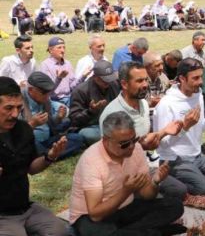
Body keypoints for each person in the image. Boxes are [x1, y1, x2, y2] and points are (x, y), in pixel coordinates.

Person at [69, 112, 185, 236]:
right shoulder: (91, 160)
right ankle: (148, 231)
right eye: (124, 144)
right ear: (106, 141)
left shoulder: (137, 149)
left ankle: (142, 232)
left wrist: (155, 182)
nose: (131, 146)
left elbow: (147, 195)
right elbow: (95, 215)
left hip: (124, 208)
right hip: (91, 218)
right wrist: (126, 191)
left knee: (175, 206)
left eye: (134, 140)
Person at [99, 62, 185, 198]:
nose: (145, 84)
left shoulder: (144, 104)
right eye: (139, 81)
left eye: (145, 79)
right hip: (121, 175)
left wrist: (165, 132)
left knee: (178, 191)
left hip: (142, 167)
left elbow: (143, 140)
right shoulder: (113, 114)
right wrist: (141, 146)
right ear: (124, 84)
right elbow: (111, 154)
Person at [153, 58, 205, 195]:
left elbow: (200, 127)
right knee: (204, 189)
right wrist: (184, 128)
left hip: (197, 156)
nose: (201, 82)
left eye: (201, 77)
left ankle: (196, 176)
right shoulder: (166, 104)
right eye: (195, 78)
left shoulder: (198, 96)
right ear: (182, 78)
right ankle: (171, 179)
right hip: (175, 159)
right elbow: (162, 144)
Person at [0, 76, 69, 236]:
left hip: (25, 207)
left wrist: (50, 156)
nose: (15, 114)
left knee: (60, 231)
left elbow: (31, 168)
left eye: (19, 108)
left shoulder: (23, 129)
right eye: (8, 108)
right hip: (2, 216)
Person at [22, 72, 84, 160]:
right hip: (30, 140)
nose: (47, 96)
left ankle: (46, 154)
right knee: (33, 144)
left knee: (78, 139)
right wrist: (32, 124)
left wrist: (58, 117)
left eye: (49, 93)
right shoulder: (18, 102)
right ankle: (46, 155)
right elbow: (15, 134)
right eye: (44, 93)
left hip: (47, 138)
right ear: (31, 90)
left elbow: (51, 124)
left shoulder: (46, 99)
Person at [70, 60, 122, 145]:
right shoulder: (81, 91)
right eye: (105, 80)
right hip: (92, 126)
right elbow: (74, 120)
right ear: (96, 77)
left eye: (110, 79)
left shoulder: (114, 84)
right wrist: (91, 111)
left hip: (111, 123)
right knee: (89, 135)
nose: (108, 82)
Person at [40, 37, 86, 106]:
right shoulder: (45, 65)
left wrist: (83, 76)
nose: (62, 50)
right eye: (59, 48)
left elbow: (72, 86)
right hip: (54, 100)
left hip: (69, 98)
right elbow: (48, 89)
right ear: (51, 50)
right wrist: (59, 78)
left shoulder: (68, 64)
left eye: (64, 47)